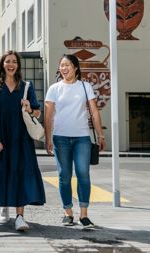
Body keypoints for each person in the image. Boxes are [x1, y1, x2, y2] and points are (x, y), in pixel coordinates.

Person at [0, 51, 46, 231]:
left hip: (21, 139)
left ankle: (19, 216)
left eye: (14, 62)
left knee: (20, 174)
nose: (11, 64)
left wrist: (30, 108)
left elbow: (38, 113)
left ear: (18, 65)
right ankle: (3, 205)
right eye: (7, 61)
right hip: (0, 136)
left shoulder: (26, 87)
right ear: (2, 65)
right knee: (3, 171)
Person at [44, 54, 106, 229]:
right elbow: (48, 116)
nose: (64, 68)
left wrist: (100, 135)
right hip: (60, 138)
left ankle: (84, 215)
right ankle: (68, 212)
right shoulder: (54, 88)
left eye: (67, 65)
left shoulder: (85, 87)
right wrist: (48, 138)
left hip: (82, 138)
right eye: (61, 65)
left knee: (83, 174)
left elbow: (94, 112)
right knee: (64, 176)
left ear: (76, 68)